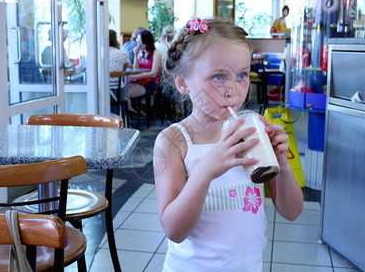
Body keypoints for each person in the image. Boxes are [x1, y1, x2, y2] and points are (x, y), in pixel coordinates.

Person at [153, 18, 303, 271]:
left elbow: (291, 211)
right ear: (183, 82)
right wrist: (204, 172)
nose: (232, 90)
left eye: (242, 75)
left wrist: (281, 163)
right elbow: (174, 230)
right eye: (218, 77)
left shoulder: (253, 126)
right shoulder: (173, 141)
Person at [126, 29, 162, 113]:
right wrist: (136, 55)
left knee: (124, 93)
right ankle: (130, 111)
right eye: (137, 41)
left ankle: (129, 113)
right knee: (122, 90)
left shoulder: (156, 53)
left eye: (140, 41)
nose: (138, 44)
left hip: (151, 83)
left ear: (146, 42)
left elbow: (153, 74)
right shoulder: (141, 52)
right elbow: (136, 69)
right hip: (139, 81)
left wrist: (134, 77)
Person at [108, 29, 129, 113]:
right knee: (125, 87)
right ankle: (122, 116)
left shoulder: (98, 54)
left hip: (102, 92)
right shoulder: (122, 54)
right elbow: (124, 69)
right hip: (118, 92)